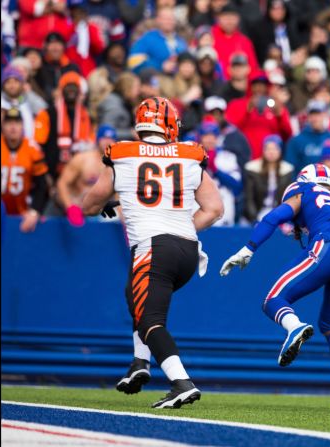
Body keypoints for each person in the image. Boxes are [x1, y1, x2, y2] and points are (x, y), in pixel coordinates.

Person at [219, 163, 330, 412]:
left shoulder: (304, 190)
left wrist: (248, 248)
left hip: (328, 247)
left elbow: (273, 217)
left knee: (273, 299)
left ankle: (295, 327)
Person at [81, 96, 224, 409]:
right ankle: (139, 363)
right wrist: (181, 228)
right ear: (170, 124)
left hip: (152, 248)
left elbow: (88, 204)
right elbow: (214, 208)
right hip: (186, 249)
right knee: (133, 293)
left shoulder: (122, 153)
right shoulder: (189, 154)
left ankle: (181, 382)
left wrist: (111, 200)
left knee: (150, 320)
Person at [56, 125, 118, 227]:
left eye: (111, 139)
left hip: (99, 215)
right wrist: (70, 207)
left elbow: (118, 194)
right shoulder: (82, 159)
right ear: (97, 139)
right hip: (76, 209)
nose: (107, 142)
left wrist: (124, 221)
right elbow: (62, 183)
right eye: (104, 138)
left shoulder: (116, 165)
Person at [1, 108, 51, 234]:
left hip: (22, 212)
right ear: (3, 126)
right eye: (9, 123)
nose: (13, 127)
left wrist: (34, 211)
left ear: (23, 126)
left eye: (17, 123)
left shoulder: (32, 149)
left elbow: (42, 185)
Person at [243, 134, 296, 223]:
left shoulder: (287, 170)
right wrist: (253, 219)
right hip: (258, 214)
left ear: (280, 151)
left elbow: (289, 199)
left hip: (279, 215)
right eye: (268, 149)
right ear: (263, 150)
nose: (271, 152)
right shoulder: (252, 169)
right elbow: (249, 198)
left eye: (275, 149)